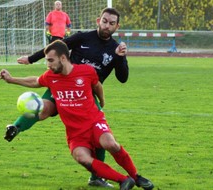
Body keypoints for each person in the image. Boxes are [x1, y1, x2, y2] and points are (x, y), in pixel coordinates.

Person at [0, 40, 154, 190]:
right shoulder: (51, 76)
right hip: (75, 132)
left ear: (63, 58)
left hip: (93, 122)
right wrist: (11, 79)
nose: (48, 65)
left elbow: (97, 85)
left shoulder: (86, 71)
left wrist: (101, 100)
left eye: (51, 60)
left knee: (110, 143)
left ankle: (136, 176)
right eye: (47, 61)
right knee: (82, 157)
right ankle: (124, 180)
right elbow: (35, 81)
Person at [7, 7, 128, 187]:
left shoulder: (115, 48)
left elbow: (123, 78)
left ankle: (96, 177)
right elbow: (56, 47)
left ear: (117, 26)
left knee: (99, 136)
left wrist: (119, 57)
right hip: (62, 84)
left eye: (111, 23)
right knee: (43, 107)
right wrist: (31, 59)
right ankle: (15, 127)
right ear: (98, 20)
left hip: (87, 94)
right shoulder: (83, 37)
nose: (107, 26)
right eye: (104, 21)